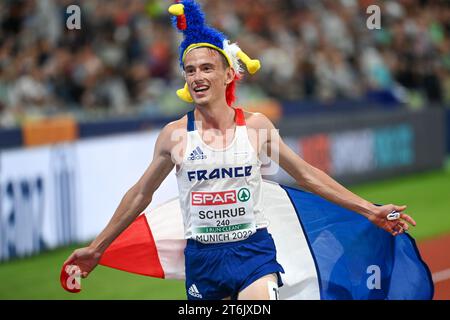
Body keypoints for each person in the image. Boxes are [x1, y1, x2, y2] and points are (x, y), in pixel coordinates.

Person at [63, 0, 416, 300]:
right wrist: (98, 247)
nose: (197, 76)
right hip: (203, 259)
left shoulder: (257, 127)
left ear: (229, 74)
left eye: (206, 68)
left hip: (253, 252)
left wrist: (369, 210)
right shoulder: (174, 136)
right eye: (189, 70)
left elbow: (307, 176)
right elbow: (141, 193)